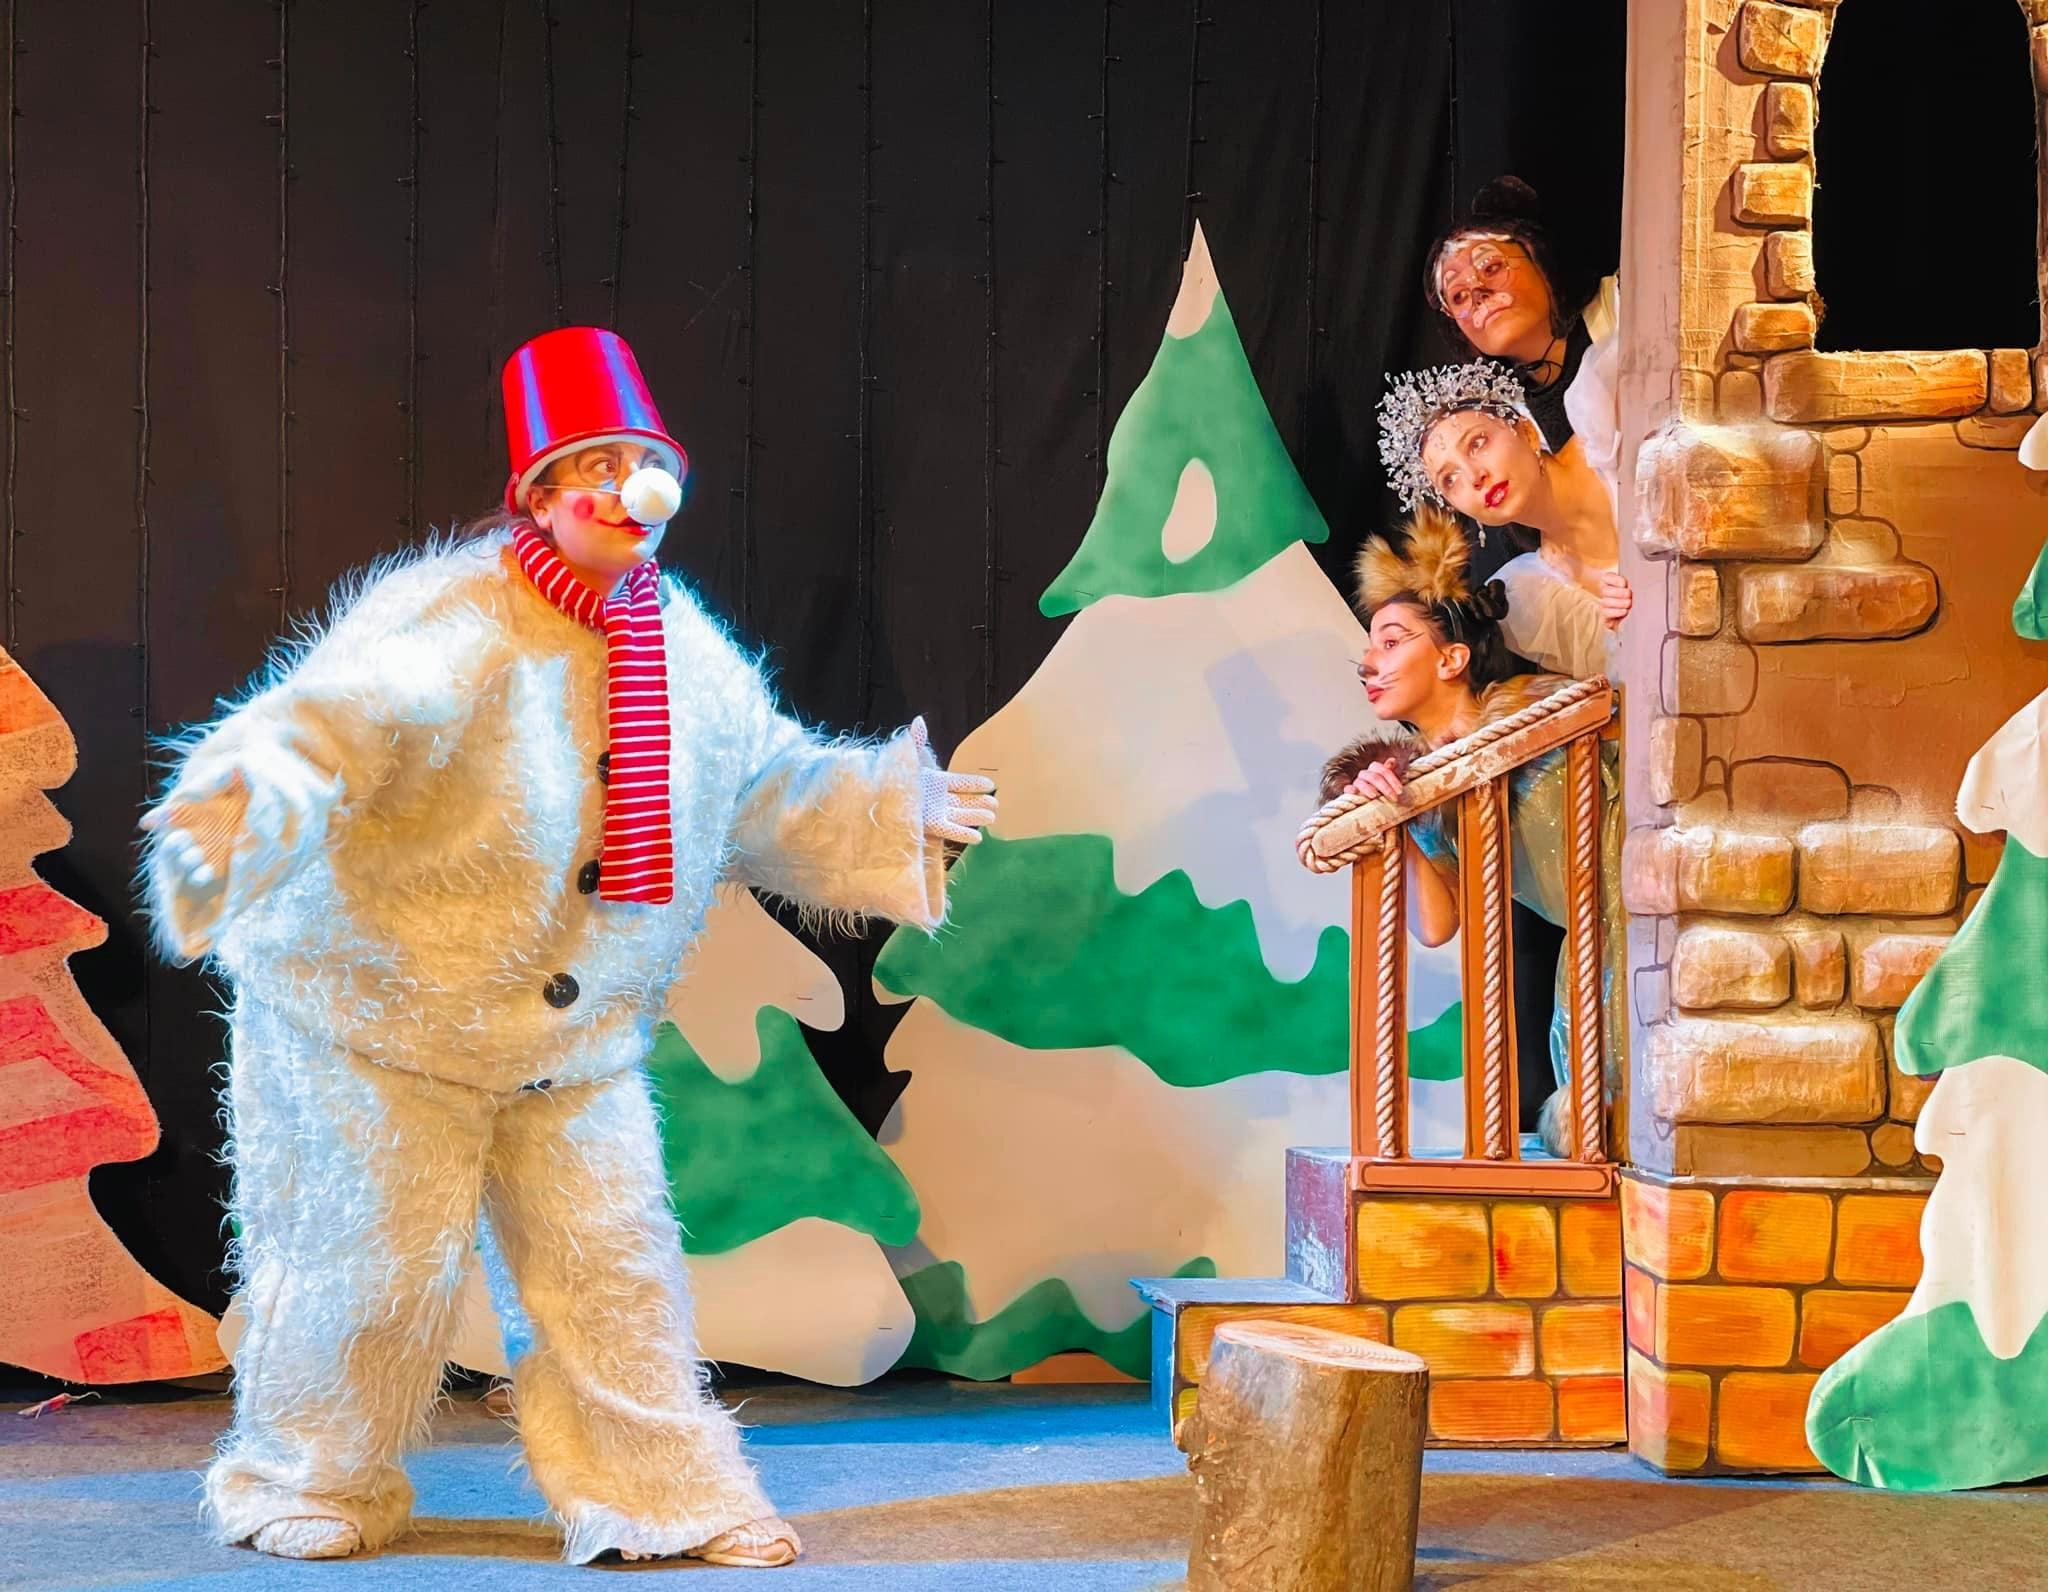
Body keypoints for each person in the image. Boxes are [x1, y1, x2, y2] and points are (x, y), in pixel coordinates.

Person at [139, 326, 997, 1568]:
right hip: (376, 1019)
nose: (626, 490)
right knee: (360, 1266)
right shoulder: (451, 617)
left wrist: (884, 809)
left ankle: (658, 1495)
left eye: (644, 465)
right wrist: (242, 803)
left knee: (613, 1272)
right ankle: (304, 1471)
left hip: (570, 1038)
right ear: (537, 495)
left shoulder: (678, 640)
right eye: (591, 466)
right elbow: (327, 726)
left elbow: (757, 783)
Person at [1320, 503, 1622, 1155]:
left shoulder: (1543, 708)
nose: (1369, 663)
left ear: (1452, 657)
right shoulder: (1426, 791)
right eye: (1370, 648)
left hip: (1643, 921)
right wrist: (1391, 819)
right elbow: (1435, 925)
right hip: (1591, 956)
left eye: (1391, 641)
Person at [1377, 359, 1628, 682]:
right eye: (1450, 479)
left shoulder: (1606, 418)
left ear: (1526, 432)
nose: (1474, 476)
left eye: (1477, 443)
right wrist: (1627, 633)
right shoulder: (1535, 595)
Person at [1425, 175, 1620, 500]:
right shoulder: (1507, 426)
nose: (1478, 292)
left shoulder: (1625, 305)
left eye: (1490, 267)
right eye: (1458, 296)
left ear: (1537, 257)